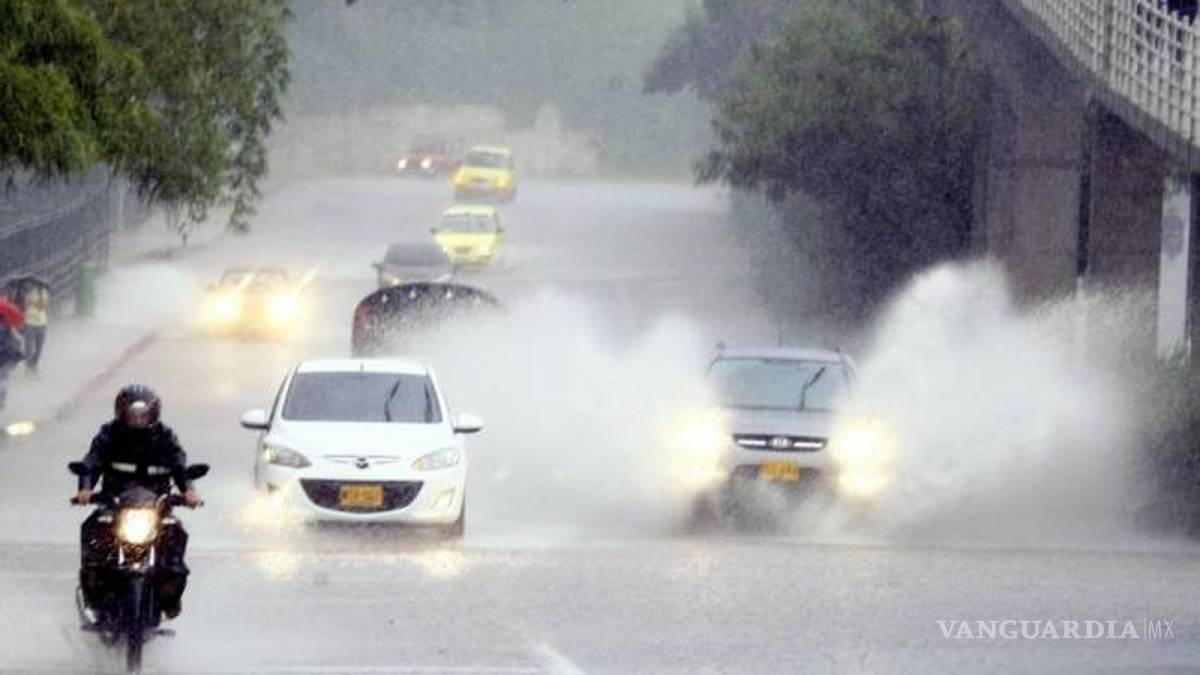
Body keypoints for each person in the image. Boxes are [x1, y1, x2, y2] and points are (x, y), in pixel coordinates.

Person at [74, 385, 202, 622]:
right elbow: (92, 460)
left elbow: (179, 464)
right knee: (94, 529)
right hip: (115, 503)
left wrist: (189, 492)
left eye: (143, 415)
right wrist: (85, 488)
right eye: (132, 415)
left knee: (175, 534)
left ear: (153, 415)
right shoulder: (109, 434)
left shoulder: (165, 437)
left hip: (156, 506)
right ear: (121, 414)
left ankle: (169, 597)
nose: (138, 420)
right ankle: (94, 592)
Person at [0, 294, 24, 414]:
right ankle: (2, 400)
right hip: (6, 355)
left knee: (3, 377)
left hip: (3, 354)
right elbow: (18, 339)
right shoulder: (8, 325)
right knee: (3, 378)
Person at [19, 281, 48, 373]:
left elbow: (44, 306)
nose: (28, 285)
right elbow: (24, 306)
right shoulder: (25, 292)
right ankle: (28, 367)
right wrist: (28, 301)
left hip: (41, 323)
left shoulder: (42, 291)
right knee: (29, 347)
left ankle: (34, 365)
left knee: (39, 348)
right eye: (27, 284)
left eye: (30, 284)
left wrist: (35, 302)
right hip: (29, 322)